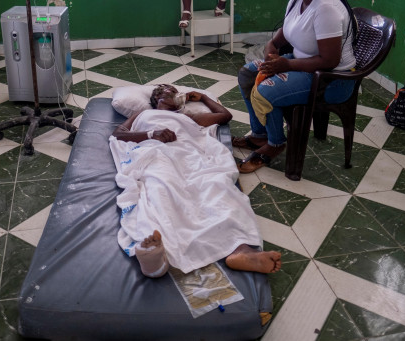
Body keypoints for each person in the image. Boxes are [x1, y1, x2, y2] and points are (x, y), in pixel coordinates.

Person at [112, 84, 282, 278]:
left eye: (177, 92)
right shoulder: (143, 114)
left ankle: (241, 250)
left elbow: (225, 116)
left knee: (218, 187)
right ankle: (157, 255)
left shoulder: (187, 117)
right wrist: (151, 134)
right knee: (162, 187)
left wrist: (202, 97)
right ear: (158, 96)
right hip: (156, 152)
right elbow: (118, 134)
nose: (176, 94)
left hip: (191, 154)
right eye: (170, 91)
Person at [233, 0, 358, 173]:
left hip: (331, 80)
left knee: (265, 90)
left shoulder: (326, 8)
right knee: (248, 74)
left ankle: (275, 143)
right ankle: (260, 135)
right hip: (304, 64)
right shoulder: (297, 0)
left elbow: (330, 60)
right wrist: (271, 52)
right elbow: (279, 39)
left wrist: (286, 64)